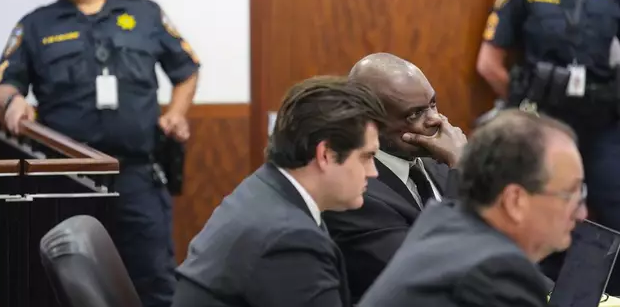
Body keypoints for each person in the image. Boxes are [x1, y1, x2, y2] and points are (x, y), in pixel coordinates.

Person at [0, 0, 201, 307]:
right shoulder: (36, 25)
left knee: (153, 281)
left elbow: (186, 69)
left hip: (136, 176)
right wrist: (13, 102)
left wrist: (177, 112)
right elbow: (2, 84)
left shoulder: (143, 13)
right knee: (64, 286)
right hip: (67, 180)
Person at [475, 0, 620, 290]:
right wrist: (524, 104)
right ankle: (548, 292)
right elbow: (488, 65)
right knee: (547, 210)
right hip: (545, 124)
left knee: (611, 206)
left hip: (600, 122)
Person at [172, 76, 387, 307]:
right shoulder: (288, 239)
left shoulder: (265, 188)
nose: (373, 172)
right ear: (325, 154)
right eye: (366, 157)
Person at [358, 110, 588, 307]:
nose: (581, 213)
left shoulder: (444, 222)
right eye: (570, 195)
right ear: (515, 201)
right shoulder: (496, 271)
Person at [322, 52, 466, 302]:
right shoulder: (355, 193)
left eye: (433, 104)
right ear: (367, 121)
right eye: (414, 114)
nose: (435, 120)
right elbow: (431, 274)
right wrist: (464, 168)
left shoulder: (439, 162)